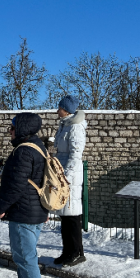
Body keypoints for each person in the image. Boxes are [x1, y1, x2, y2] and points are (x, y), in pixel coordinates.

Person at [0, 113, 49, 278]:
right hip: (35, 210)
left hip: (23, 212)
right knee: (26, 257)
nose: (10, 130)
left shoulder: (23, 151)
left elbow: (15, 185)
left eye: (13, 127)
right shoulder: (38, 147)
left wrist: (1, 206)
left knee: (26, 259)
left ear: (22, 129)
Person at [52, 95, 87, 267]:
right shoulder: (65, 125)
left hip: (70, 177)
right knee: (65, 218)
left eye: (59, 107)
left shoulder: (75, 127)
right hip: (63, 174)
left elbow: (75, 154)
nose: (57, 110)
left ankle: (76, 252)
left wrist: (66, 176)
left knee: (72, 217)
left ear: (66, 109)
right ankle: (68, 252)